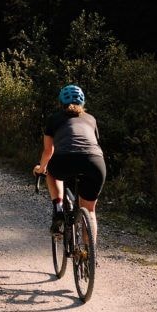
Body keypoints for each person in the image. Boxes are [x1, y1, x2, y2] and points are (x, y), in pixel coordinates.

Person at [33, 84, 106, 242]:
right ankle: (89, 256)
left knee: (51, 172)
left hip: (65, 159)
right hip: (95, 162)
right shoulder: (91, 119)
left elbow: (48, 152)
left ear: (61, 102)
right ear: (83, 102)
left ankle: (58, 207)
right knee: (90, 210)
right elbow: (94, 144)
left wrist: (41, 169)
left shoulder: (54, 119)